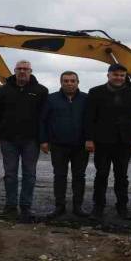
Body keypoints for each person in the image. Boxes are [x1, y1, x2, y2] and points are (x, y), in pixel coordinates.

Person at [84, 64, 131, 221]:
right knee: (101, 174)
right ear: (108, 75)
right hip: (102, 141)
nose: (119, 78)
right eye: (116, 75)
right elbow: (89, 118)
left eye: (122, 75)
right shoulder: (95, 92)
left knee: (122, 176)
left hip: (124, 141)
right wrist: (89, 138)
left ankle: (122, 207)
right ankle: (98, 207)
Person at [0, 60, 48, 222]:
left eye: (26, 69)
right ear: (15, 71)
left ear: (31, 71)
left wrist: (44, 139)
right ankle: (10, 206)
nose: (22, 71)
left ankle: (25, 206)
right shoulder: (4, 90)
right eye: (19, 69)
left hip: (31, 140)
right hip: (8, 139)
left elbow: (44, 117)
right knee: (10, 174)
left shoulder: (41, 91)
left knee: (29, 174)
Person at [39, 71, 90, 218]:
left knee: (79, 176)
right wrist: (43, 140)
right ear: (61, 82)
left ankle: (78, 206)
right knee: (59, 176)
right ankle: (59, 206)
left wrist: (90, 139)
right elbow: (42, 120)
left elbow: (91, 121)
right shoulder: (51, 99)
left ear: (78, 82)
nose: (69, 83)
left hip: (80, 145)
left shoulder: (86, 99)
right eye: (66, 81)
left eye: (72, 81)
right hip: (58, 145)